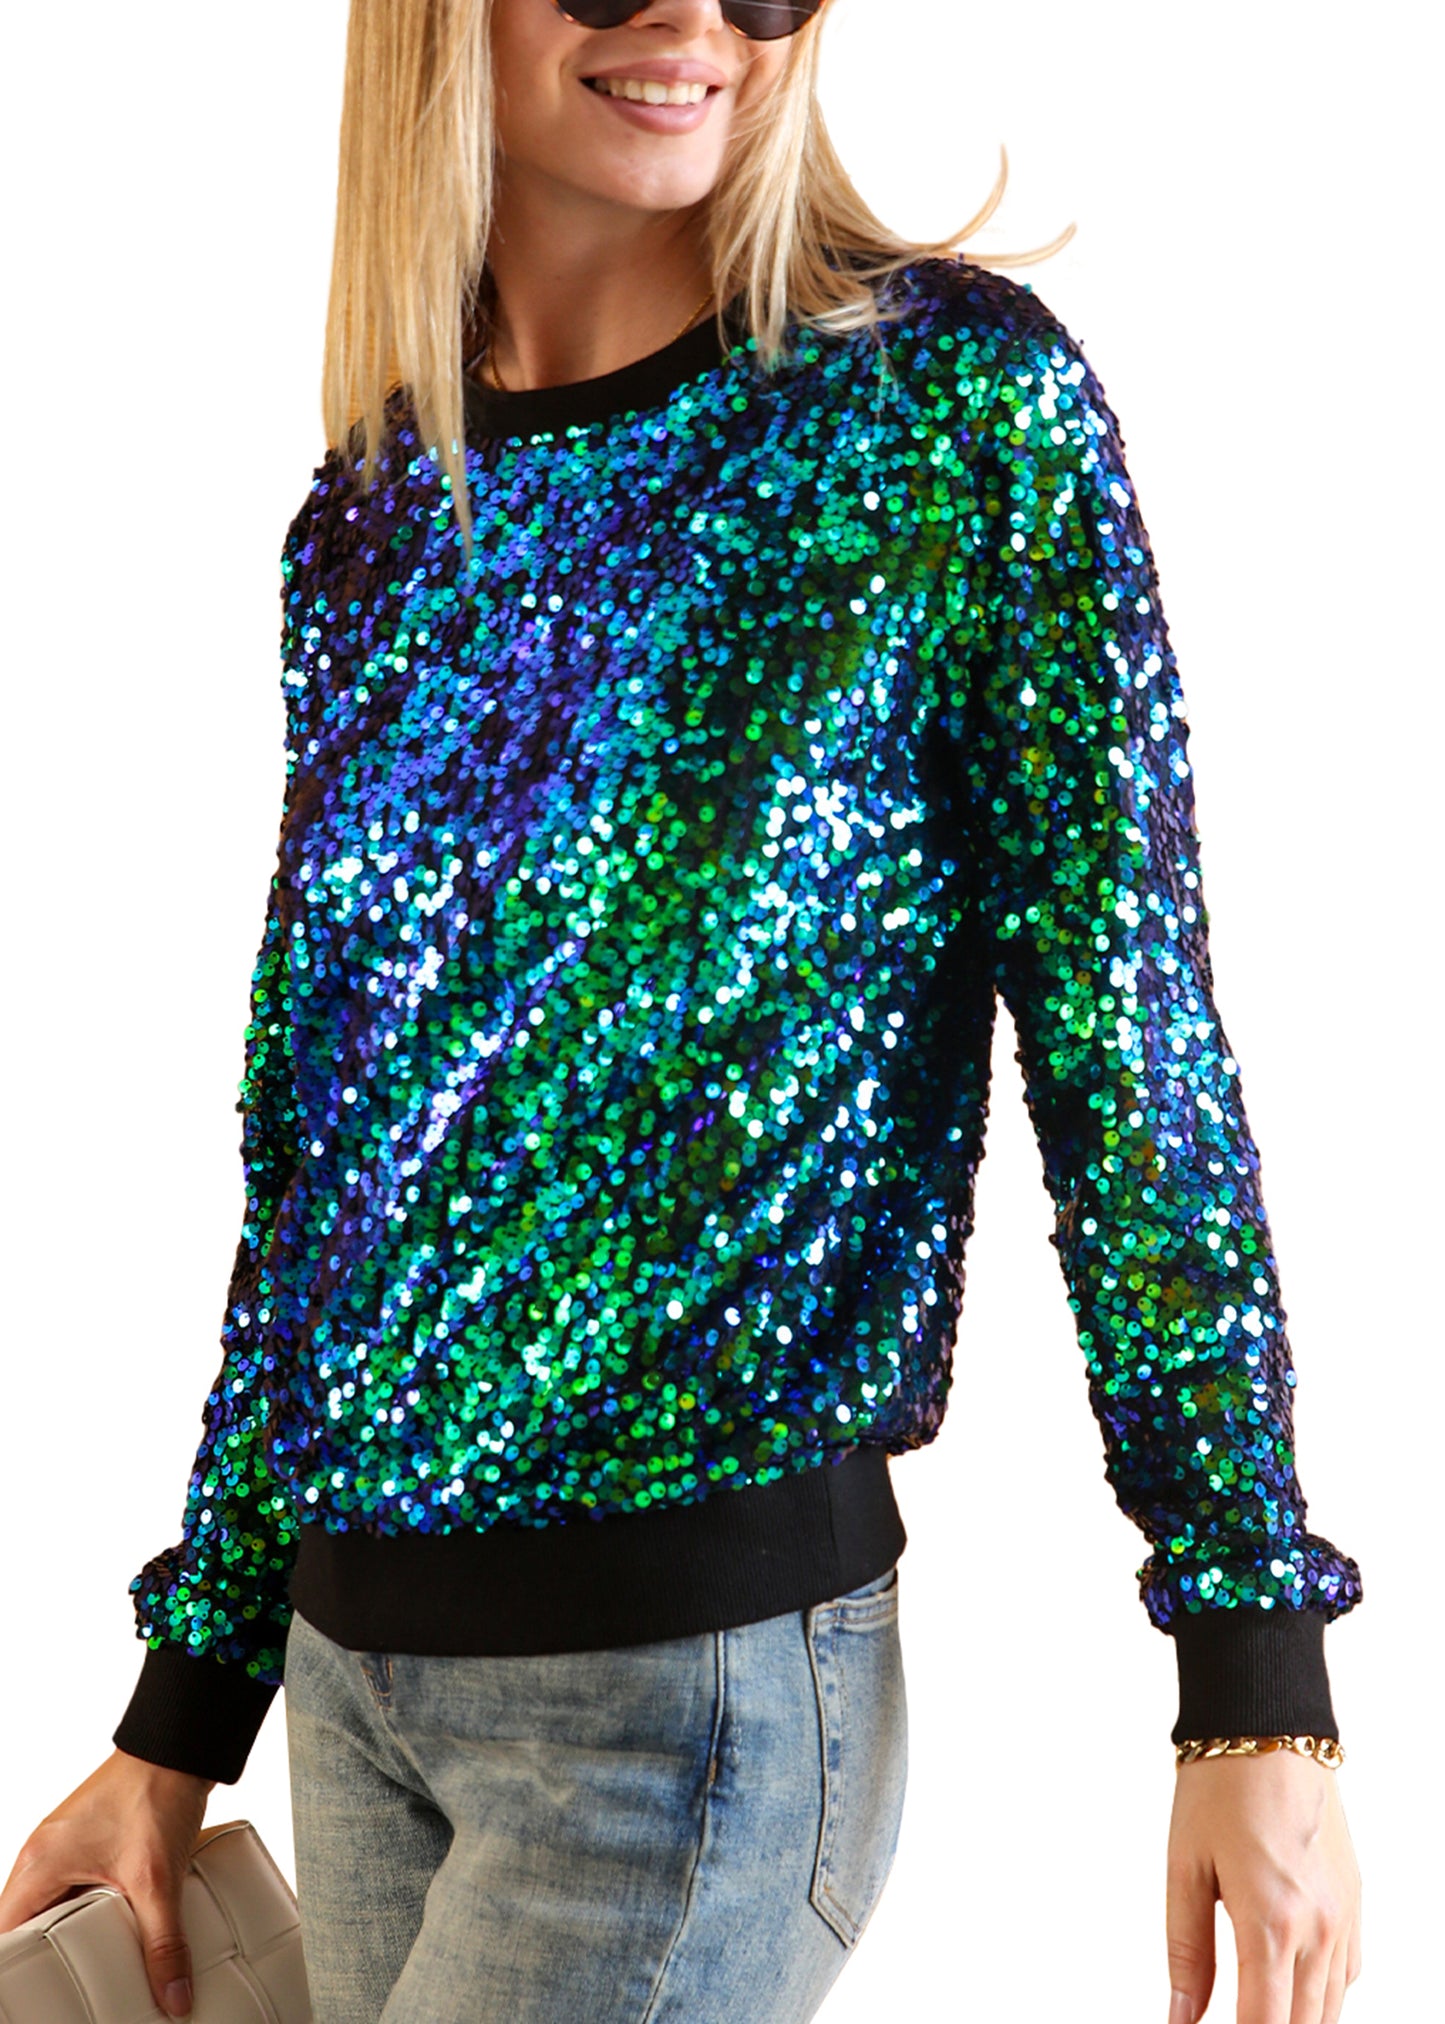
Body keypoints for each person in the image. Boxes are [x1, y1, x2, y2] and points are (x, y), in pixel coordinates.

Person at [0, 3, 1365, 2020]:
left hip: (681, 1711)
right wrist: (184, 1705)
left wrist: (1254, 1672)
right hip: (351, 1689)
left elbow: (1127, 1037)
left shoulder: (939, 413)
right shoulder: (376, 514)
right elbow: (327, 1171)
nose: (694, 19)